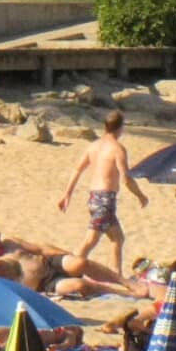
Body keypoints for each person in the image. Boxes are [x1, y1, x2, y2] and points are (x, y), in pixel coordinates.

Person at [56, 109, 147, 275]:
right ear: (120, 128)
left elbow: (77, 170)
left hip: (95, 198)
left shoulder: (93, 146)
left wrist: (67, 193)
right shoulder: (118, 149)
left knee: (118, 238)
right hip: (104, 200)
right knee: (90, 240)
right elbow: (126, 179)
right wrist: (141, 195)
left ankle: (116, 274)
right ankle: (66, 271)